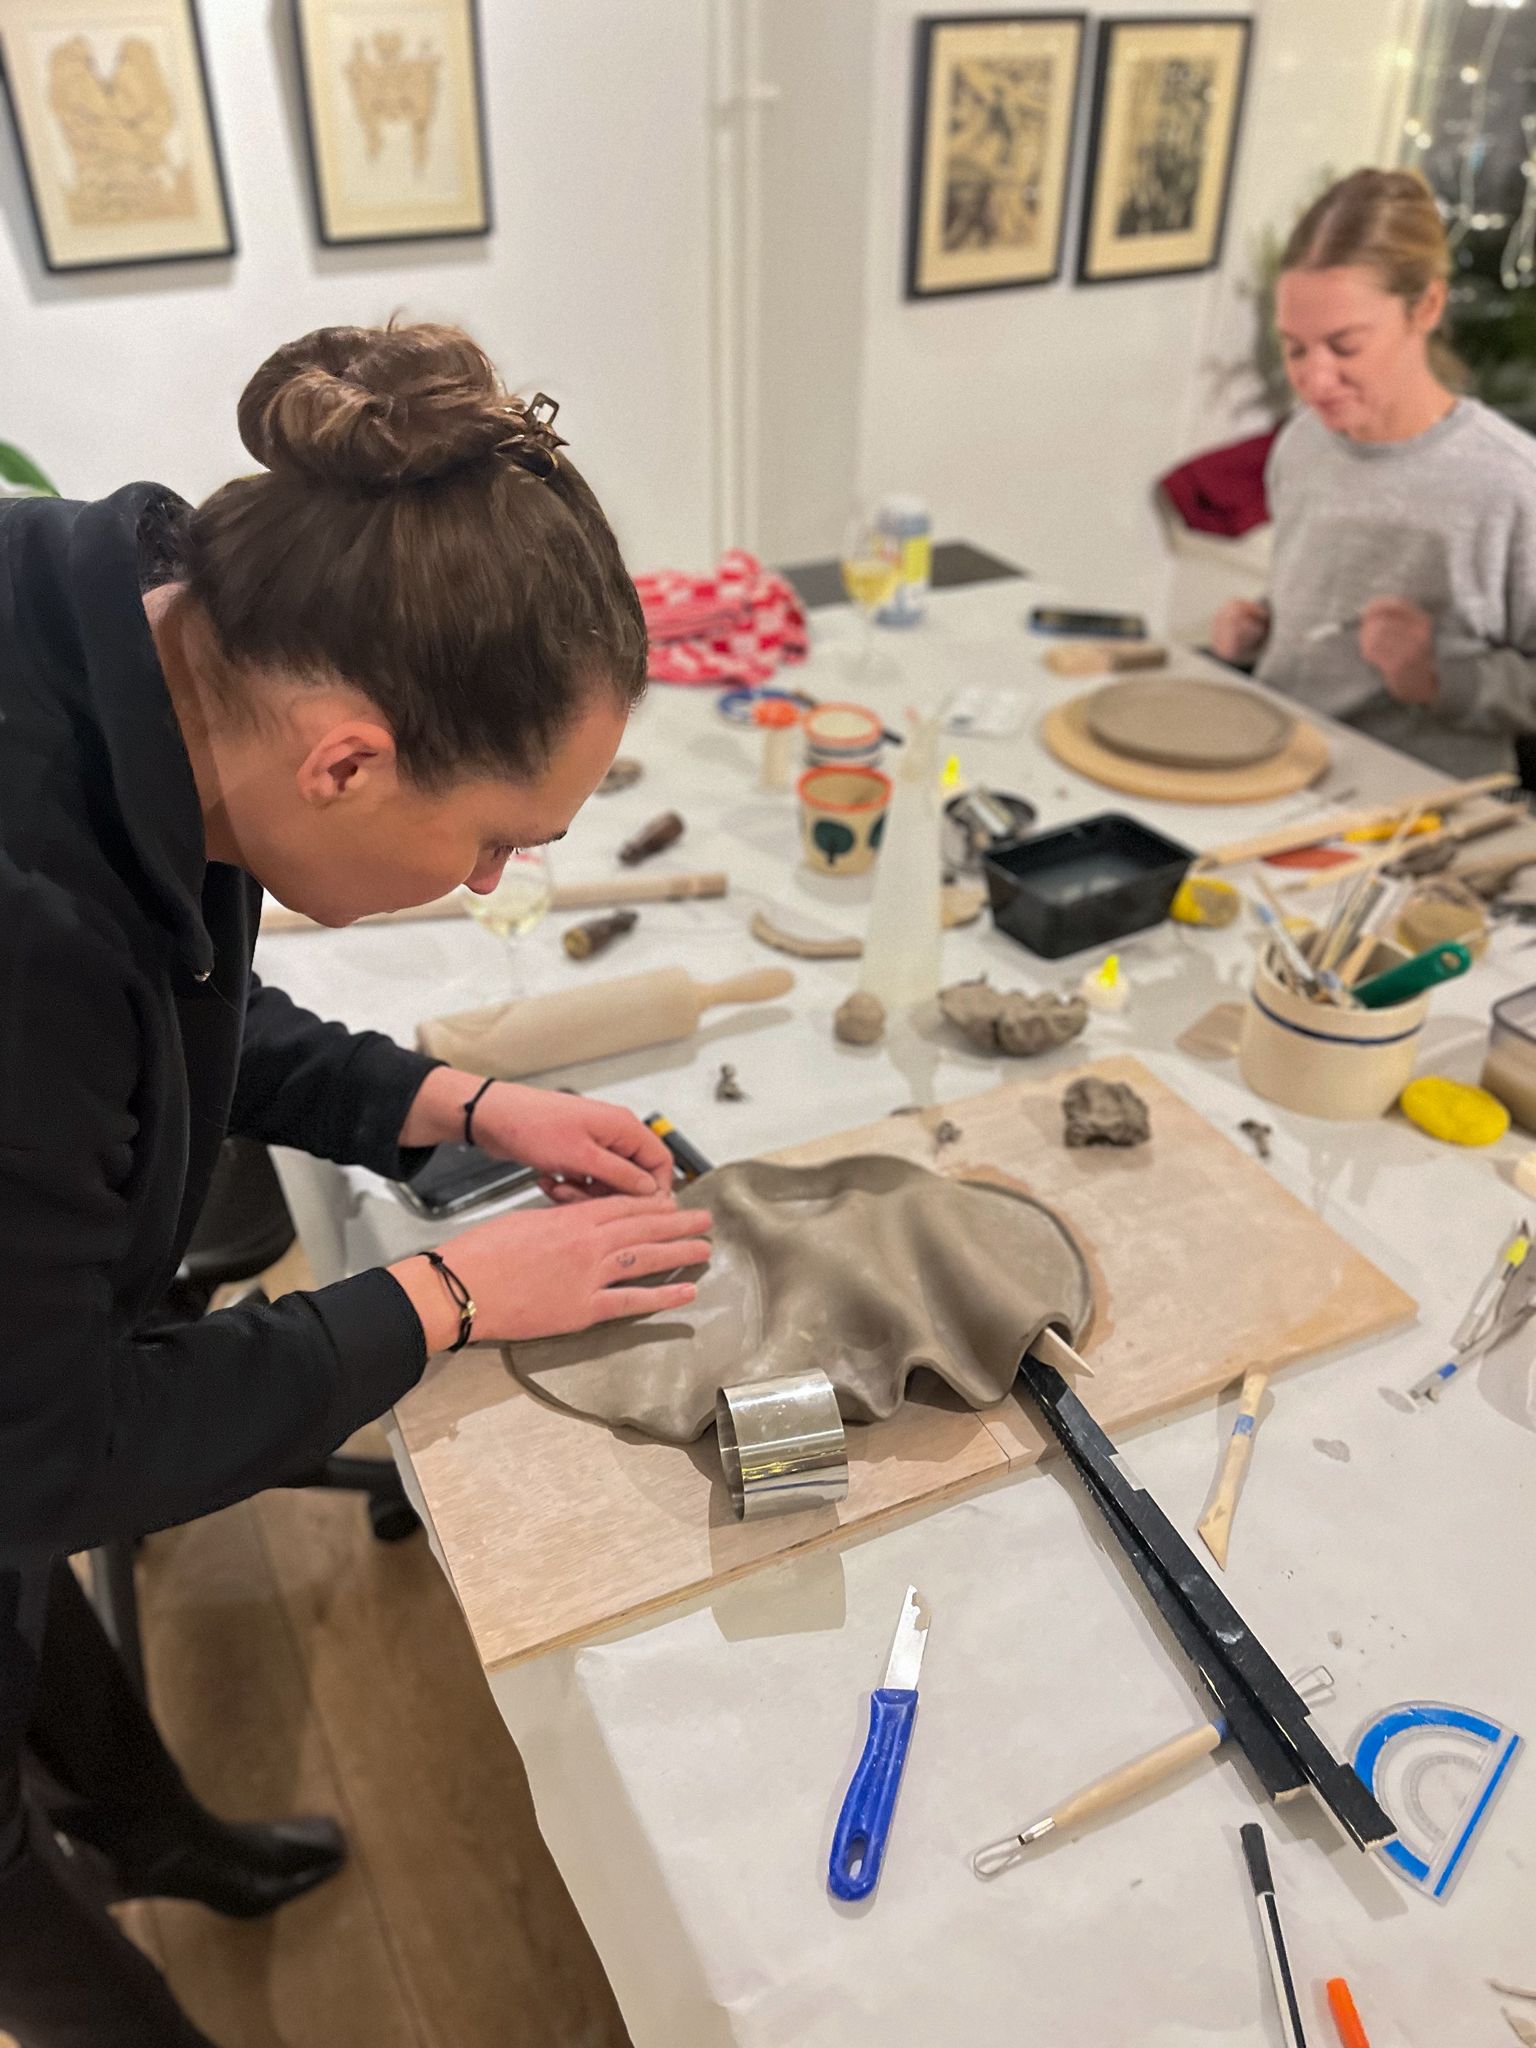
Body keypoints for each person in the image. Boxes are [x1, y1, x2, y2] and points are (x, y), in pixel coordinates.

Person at [0, 320, 713, 2045]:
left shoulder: (147, 636)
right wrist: (453, 1295)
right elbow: (48, 1444)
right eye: (490, 842)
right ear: (345, 757)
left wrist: (461, 1104)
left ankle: (146, 1822)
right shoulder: (24, 919)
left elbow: (184, 1011)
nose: (484, 885)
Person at [1209, 167, 1536, 778]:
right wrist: (1263, 628)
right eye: (1296, 347)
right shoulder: (1304, 443)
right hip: (1278, 771)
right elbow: (1321, 597)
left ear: (1428, 307)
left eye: (1345, 345)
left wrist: (1443, 674)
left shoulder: (1511, 485)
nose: (1315, 379)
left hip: (1423, 813)